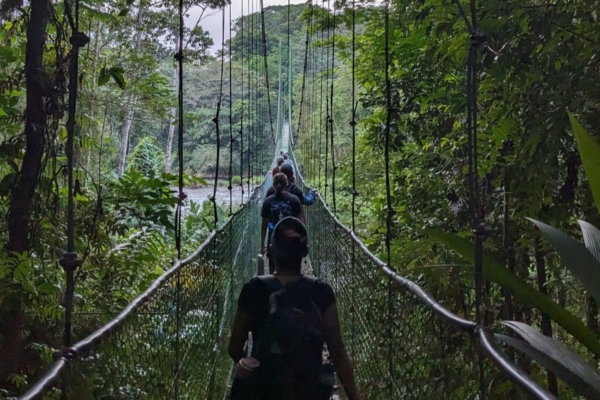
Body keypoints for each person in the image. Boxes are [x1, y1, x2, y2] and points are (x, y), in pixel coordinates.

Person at [228, 217, 361, 400]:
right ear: (305, 252)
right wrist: (354, 395)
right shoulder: (321, 292)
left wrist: (250, 364)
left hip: (264, 387)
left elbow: (234, 347)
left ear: (272, 251)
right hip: (309, 387)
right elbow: (337, 351)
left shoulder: (254, 289)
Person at [260, 173, 302, 257]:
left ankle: (273, 270)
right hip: (290, 239)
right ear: (287, 184)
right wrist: (302, 242)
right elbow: (299, 223)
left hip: (273, 240)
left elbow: (264, 226)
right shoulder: (294, 199)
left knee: (273, 264)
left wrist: (262, 245)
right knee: (289, 267)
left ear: (273, 185)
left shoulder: (268, 201)